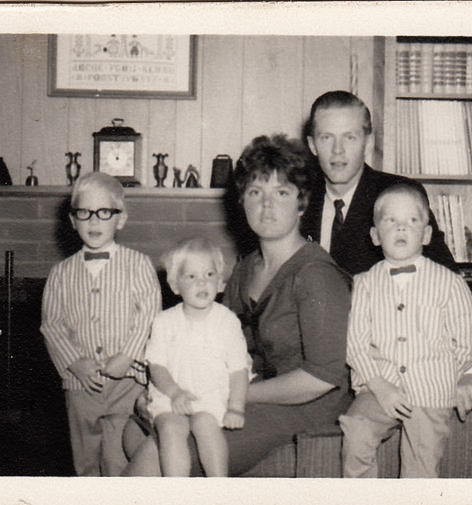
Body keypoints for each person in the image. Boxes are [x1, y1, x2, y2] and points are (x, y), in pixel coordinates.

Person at [123, 134, 352, 477]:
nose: (267, 206)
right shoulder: (245, 268)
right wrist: (162, 391)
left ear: (302, 203)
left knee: (158, 453)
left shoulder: (315, 274)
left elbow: (322, 379)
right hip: (244, 392)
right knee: (132, 430)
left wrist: (234, 395)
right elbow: (210, 343)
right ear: (242, 201)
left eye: (282, 193)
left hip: (305, 406)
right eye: (256, 193)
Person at [339, 184, 472, 478]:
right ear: (375, 235)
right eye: (390, 220)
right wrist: (380, 385)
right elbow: (355, 343)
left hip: (430, 391)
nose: (401, 227)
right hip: (378, 385)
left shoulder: (449, 281)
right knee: (356, 432)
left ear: (427, 234)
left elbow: (469, 331)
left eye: (412, 221)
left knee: (421, 465)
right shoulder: (365, 283)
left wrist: (448, 371)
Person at [40, 172, 161, 476]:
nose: (93, 222)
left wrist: (128, 356)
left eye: (103, 213)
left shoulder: (138, 265)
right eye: (84, 213)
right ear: (72, 220)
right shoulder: (61, 273)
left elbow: (149, 315)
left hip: (127, 383)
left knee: (119, 456)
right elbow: (51, 325)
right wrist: (75, 363)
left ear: (120, 219)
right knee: (86, 460)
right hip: (80, 385)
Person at [302, 90, 456, 277]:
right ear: (312, 145)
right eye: (326, 137)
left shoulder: (399, 195)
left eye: (349, 137)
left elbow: (447, 277)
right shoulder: (297, 198)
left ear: (368, 143)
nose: (337, 150)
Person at [145, 237, 250, 477]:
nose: (202, 281)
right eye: (191, 277)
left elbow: (238, 370)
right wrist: (174, 393)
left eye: (210, 274)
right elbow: (157, 366)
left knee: (206, 424)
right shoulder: (164, 322)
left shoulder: (227, 321)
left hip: (210, 396)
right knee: (171, 427)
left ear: (221, 282)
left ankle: (218, 486)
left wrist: (236, 408)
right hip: (170, 395)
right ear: (175, 285)